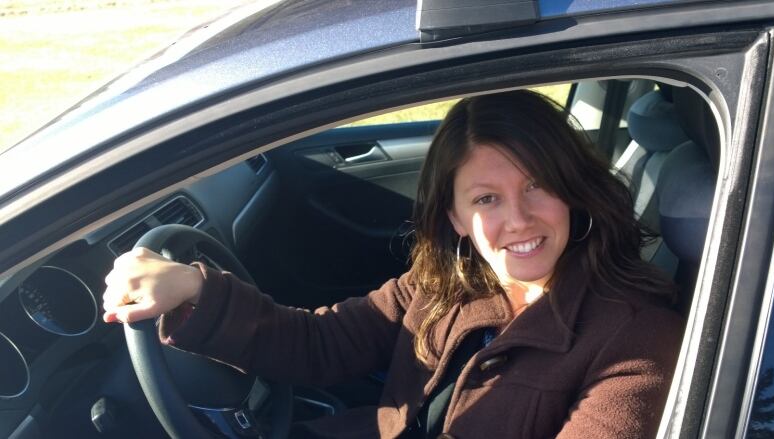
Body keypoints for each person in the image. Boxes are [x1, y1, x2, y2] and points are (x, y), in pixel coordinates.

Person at [103, 90, 684, 438]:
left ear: (574, 191)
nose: (519, 220)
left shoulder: (638, 333)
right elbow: (320, 344)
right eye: (486, 199)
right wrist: (192, 290)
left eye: (539, 187)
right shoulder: (447, 281)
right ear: (454, 217)